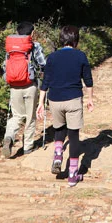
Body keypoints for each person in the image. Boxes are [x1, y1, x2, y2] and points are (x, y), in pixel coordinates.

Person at [37, 25, 94, 186]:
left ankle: (57, 155)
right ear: (76, 40)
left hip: (55, 100)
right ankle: (72, 174)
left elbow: (46, 81)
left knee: (59, 129)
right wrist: (90, 99)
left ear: (61, 39)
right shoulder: (81, 56)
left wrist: (41, 102)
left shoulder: (52, 57)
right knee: (74, 135)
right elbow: (88, 80)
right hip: (73, 99)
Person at [2, 21, 47, 158]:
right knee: (30, 117)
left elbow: (5, 66)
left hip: (14, 86)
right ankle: (27, 147)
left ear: (17, 32)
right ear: (32, 33)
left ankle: (9, 136)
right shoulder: (34, 45)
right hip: (30, 86)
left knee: (17, 115)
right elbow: (43, 64)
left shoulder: (10, 46)